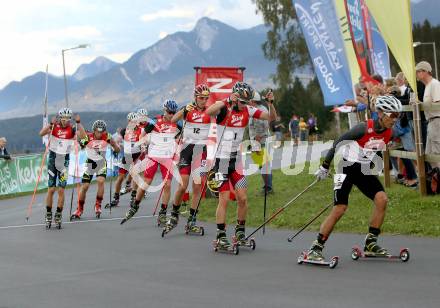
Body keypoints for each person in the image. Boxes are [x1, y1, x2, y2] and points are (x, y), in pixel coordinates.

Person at [306, 95, 402, 261]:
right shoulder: (363, 128)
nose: (395, 119)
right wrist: (325, 166)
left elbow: (377, 150)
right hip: (345, 168)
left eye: (398, 116)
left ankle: (371, 243)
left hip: (363, 170)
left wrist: (373, 165)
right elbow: (338, 142)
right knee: (340, 208)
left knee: (382, 199)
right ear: (381, 113)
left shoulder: (389, 133)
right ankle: (316, 247)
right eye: (393, 115)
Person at [206, 82, 276, 249]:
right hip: (221, 160)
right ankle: (221, 235)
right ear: (235, 97)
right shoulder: (224, 109)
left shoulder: (248, 110)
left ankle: (240, 232)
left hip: (236, 161)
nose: (246, 105)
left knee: (243, 198)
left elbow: (271, 118)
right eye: (243, 101)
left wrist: (270, 104)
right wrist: (226, 100)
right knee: (224, 199)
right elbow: (208, 112)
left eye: (248, 101)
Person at [121, 100, 182, 225]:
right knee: (146, 183)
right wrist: (143, 143)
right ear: (164, 110)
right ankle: (135, 205)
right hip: (153, 156)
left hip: (167, 158)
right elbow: (142, 134)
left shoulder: (177, 124)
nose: (171, 115)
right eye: (170, 112)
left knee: (168, 185)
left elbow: (180, 137)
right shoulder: (154, 121)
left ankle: (163, 213)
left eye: (173, 112)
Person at [166, 84, 212, 233]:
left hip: (201, 150)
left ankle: (192, 219)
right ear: (195, 97)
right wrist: (184, 110)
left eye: (206, 98)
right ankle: (174, 214)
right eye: (201, 98)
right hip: (187, 149)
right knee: (183, 185)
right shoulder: (188, 109)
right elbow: (173, 120)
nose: (204, 101)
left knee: (197, 186)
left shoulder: (209, 111)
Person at [39, 108, 86, 227]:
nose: (65, 120)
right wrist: (50, 124)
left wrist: (79, 123)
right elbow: (41, 133)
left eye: (67, 118)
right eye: (63, 118)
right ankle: (49, 213)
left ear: (70, 119)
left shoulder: (72, 128)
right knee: (51, 189)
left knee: (61, 189)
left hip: (64, 161)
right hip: (52, 160)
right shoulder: (54, 126)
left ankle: (58, 214)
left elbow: (84, 137)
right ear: (60, 118)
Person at [71, 120, 120, 219]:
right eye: (98, 131)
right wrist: (78, 143)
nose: (99, 134)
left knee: (100, 181)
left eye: (101, 132)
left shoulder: (108, 137)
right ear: (94, 130)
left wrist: (115, 149)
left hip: (101, 163)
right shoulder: (89, 137)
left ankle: (98, 205)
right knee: (85, 186)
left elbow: (116, 147)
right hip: (90, 163)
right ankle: (79, 209)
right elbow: (81, 143)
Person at [108, 112, 142, 208]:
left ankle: (133, 197)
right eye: (131, 121)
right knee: (120, 178)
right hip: (127, 157)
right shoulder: (124, 131)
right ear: (128, 121)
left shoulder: (141, 130)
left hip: (137, 156)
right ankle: (116, 198)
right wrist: (115, 147)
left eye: (135, 121)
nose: (133, 123)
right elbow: (117, 141)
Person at [248, 91, 277, 194]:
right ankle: (268, 186)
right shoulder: (257, 109)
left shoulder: (259, 110)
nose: (247, 103)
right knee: (262, 165)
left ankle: (268, 188)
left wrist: (259, 138)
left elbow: (265, 125)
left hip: (260, 141)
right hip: (257, 141)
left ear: (252, 101)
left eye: (249, 101)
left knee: (264, 165)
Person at [416, 61, 440, 168]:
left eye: (418, 71)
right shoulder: (428, 86)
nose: (416, 74)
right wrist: (420, 104)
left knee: (436, 153)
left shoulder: (435, 84)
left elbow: (438, 103)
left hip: (437, 121)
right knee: (429, 155)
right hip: (431, 122)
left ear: (425, 71)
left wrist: (421, 105)